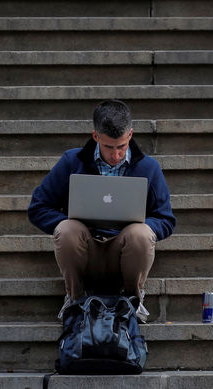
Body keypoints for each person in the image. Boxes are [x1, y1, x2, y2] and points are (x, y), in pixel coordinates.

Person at [28, 99, 176, 322]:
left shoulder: (148, 168)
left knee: (141, 234)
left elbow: (166, 219)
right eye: (108, 147)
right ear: (95, 136)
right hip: (85, 249)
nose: (115, 155)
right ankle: (75, 298)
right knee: (68, 229)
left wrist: (139, 224)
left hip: (124, 252)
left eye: (121, 147)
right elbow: (38, 207)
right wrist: (74, 221)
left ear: (131, 135)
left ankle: (132, 300)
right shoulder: (72, 162)